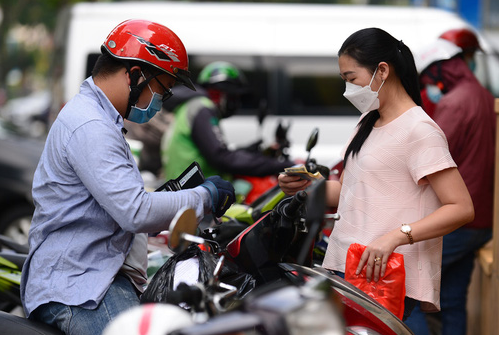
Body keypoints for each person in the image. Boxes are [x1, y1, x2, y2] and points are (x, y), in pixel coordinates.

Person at [20, 19, 235, 335]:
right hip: (82, 288)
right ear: (134, 74)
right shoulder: (91, 126)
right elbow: (134, 211)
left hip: (92, 275)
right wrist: (204, 196)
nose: (160, 103)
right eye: (160, 89)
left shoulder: (99, 119)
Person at [278, 27, 474, 321]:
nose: (347, 89)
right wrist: (309, 185)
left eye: (351, 78)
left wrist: (396, 236)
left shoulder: (420, 130)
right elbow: (348, 190)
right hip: (345, 264)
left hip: (384, 274)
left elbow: (461, 208)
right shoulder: (367, 122)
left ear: (382, 71)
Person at [404, 34, 496, 335]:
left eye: (429, 76)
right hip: (481, 220)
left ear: (443, 69)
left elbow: (433, 160)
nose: (428, 83)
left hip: (456, 221)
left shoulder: (455, 103)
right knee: (454, 301)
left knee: (409, 294)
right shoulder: (483, 95)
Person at [161, 61, 294, 182]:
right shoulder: (202, 108)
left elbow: (212, 151)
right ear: (218, 92)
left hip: (189, 187)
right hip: (197, 193)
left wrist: (249, 151)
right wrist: (279, 166)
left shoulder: (191, 106)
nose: (235, 102)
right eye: (233, 96)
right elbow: (222, 158)